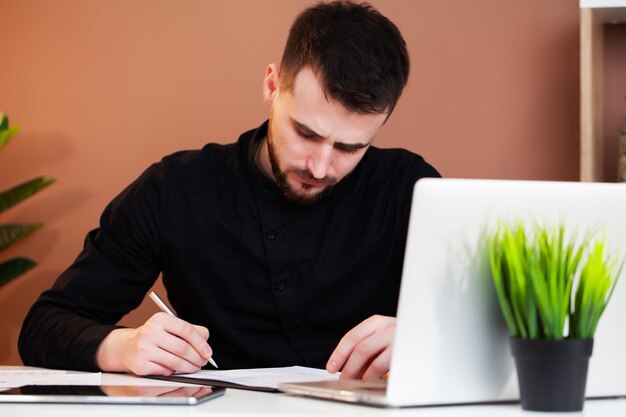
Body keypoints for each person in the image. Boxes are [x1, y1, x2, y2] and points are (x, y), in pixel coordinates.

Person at [18, 0, 439, 381]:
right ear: (272, 87)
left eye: (350, 147)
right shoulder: (176, 189)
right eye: (305, 133)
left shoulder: (410, 191)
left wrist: (428, 338)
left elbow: (496, 327)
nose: (320, 166)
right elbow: (44, 325)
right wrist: (121, 346)